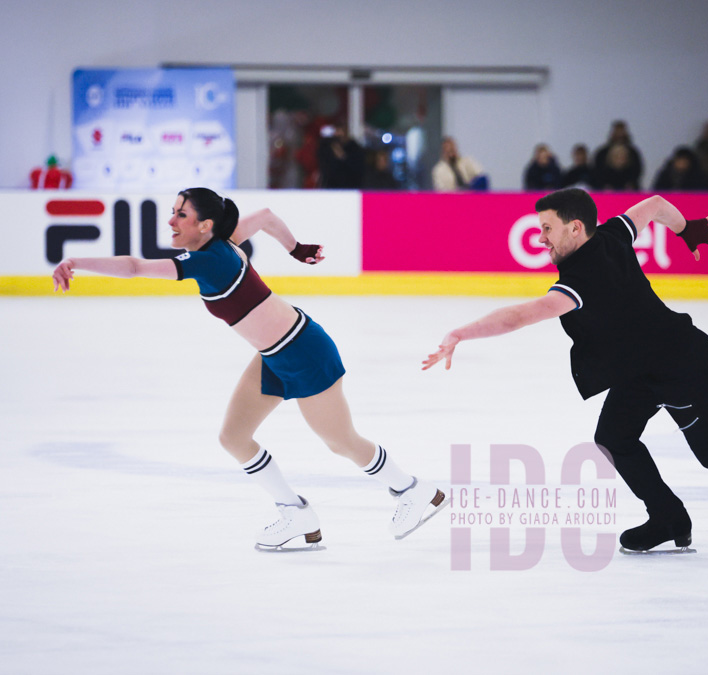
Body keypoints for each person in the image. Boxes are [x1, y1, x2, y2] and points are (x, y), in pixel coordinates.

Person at [423, 187, 708, 553]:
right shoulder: (613, 234)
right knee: (614, 439)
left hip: (684, 366)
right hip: (641, 371)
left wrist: (460, 333)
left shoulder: (582, 279)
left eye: (547, 228)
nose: (541, 238)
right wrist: (686, 230)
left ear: (575, 228)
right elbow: (655, 206)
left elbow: (520, 316)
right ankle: (668, 517)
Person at [52, 187, 445, 551]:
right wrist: (296, 249)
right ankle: (295, 513)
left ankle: (413, 490)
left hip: (304, 351)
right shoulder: (223, 242)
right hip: (273, 356)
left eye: (181, 214)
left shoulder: (207, 261)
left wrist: (76, 262)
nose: (171, 221)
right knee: (234, 437)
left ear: (204, 225)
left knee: (341, 442)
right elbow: (267, 217)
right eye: (173, 212)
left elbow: (135, 267)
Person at [592, 120, 643, 190]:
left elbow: (637, 171)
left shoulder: (633, 153)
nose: (620, 134)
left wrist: (631, 184)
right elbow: (597, 172)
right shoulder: (602, 153)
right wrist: (604, 185)